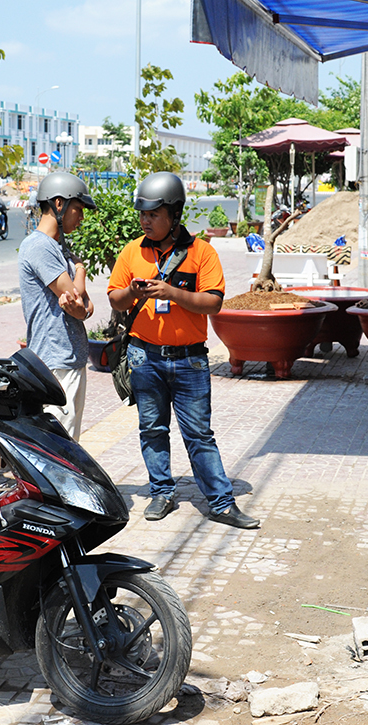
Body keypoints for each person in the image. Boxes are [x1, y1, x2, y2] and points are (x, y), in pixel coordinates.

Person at [106, 171, 260, 530]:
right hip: (144, 357)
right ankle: (161, 491)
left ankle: (221, 503)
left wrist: (171, 293)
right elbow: (114, 297)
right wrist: (134, 293)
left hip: (189, 360)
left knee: (199, 434)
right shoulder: (132, 251)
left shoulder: (201, 252)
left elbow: (213, 303)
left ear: (174, 214)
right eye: (142, 214)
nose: (145, 221)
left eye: (153, 214)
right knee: (152, 429)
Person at [17, 172, 97, 440]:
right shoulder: (40, 246)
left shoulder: (55, 247)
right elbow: (75, 294)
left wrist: (82, 305)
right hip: (56, 359)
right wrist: (81, 268)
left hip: (67, 356)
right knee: (61, 444)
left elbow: (84, 306)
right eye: (79, 209)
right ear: (59, 204)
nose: (82, 217)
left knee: (69, 439)